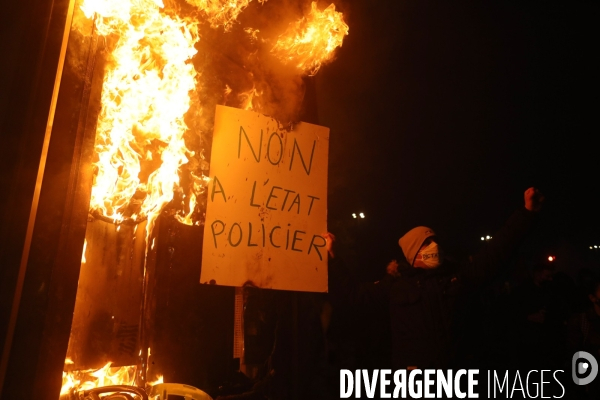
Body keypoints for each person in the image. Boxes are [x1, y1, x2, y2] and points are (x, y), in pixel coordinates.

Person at [326, 187, 544, 370]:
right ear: (413, 254)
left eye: (435, 240)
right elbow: (353, 295)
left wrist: (527, 213)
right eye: (427, 243)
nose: (434, 246)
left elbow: (497, 251)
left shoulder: (459, 276)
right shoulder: (395, 286)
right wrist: (333, 259)